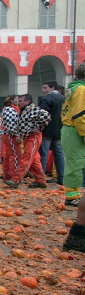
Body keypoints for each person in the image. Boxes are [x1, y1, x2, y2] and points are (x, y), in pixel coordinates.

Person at [61, 62, 85, 207]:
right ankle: (72, 196)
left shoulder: (73, 87)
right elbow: (80, 114)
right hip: (75, 129)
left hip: (70, 128)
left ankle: (73, 194)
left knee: (74, 162)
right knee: (76, 163)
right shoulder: (81, 89)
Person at [15, 94, 50, 188]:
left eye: (21, 101)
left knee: (26, 157)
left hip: (33, 136)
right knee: (34, 160)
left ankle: (16, 179)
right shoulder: (24, 110)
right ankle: (41, 180)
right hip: (27, 137)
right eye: (18, 101)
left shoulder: (33, 109)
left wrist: (39, 127)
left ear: (27, 101)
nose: (18, 103)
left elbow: (46, 116)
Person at [38, 80, 65, 185]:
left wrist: (40, 127)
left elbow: (42, 115)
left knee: (43, 154)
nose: (43, 90)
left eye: (45, 88)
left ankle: (41, 178)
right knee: (59, 154)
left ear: (52, 88)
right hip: (60, 130)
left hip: (47, 130)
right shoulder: (63, 99)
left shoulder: (46, 99)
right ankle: (62, 178)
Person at [0, 95, 21, 187]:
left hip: (8, 134)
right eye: (17, 100)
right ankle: (14, 177)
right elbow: (11, 124)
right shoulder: (9, 110)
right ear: (12, 101)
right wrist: (16, 134)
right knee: (16, 156)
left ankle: (7, 176)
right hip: (10, 135)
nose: (18, 101)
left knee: (8, 156)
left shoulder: (10, 109)